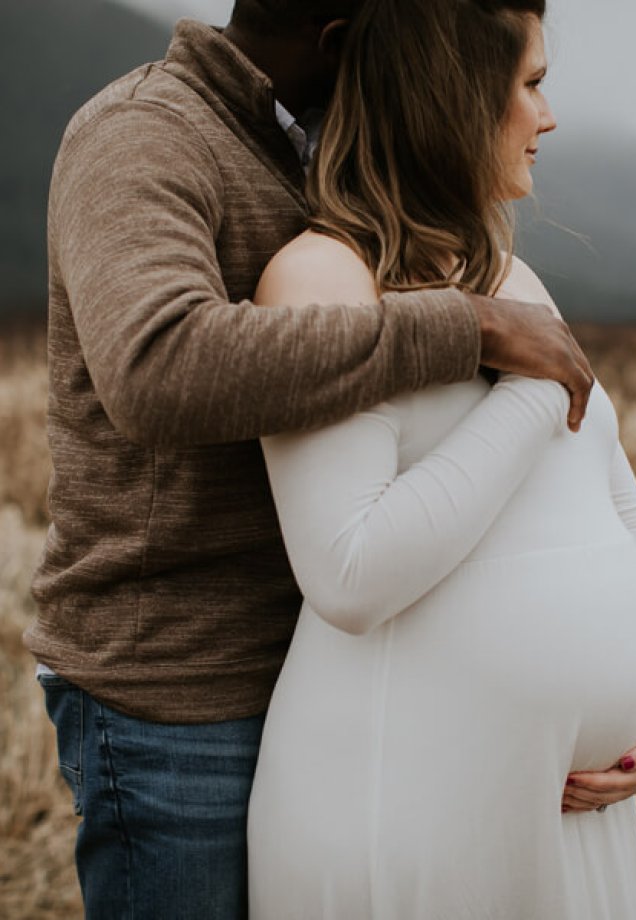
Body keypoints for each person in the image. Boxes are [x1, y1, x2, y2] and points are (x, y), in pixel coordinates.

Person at [25, 0, 594, 917]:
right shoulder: (141, 136)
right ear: (344, 41)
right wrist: (468, 327)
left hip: (333, 681)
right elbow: (157, 369)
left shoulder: (337, 154)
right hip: (180, 696)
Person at [246, 0, 636, 916]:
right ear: (451, 95)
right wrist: (530, 391)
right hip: (413, 814)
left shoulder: (517, 280)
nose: (549, 116)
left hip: (573, 816)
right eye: (530, 85)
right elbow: (349, 572)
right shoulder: (325, 277)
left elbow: (625, 513)